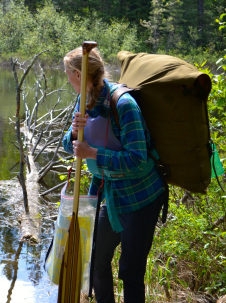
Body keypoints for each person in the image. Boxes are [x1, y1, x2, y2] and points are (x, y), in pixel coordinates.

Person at [62, 47, 165, 303]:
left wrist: (94, 153)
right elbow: (70, 146)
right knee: (96, 258)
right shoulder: (83, 99)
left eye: (67, 73)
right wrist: (74, 134)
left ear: (78, 73)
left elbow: (138, 160)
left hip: (141, 198)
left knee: (130, 271)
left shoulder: (124, 104)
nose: (66, 79)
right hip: (111, 194)